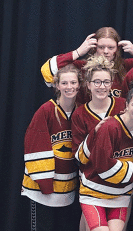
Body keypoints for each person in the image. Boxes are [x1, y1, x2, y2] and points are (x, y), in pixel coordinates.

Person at [77, 77, 133, 231]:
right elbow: (104, 167)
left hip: (120, 195)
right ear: (126, 105)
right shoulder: (110, 127)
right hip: (94, 193)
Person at [21, 64, 83, 231]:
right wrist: (45, 183)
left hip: (67, 189)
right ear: (56, 85)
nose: (69, 87)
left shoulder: (81, 112)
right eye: (64, 83)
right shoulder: (46, 110)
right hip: (41, 190)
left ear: (79, 84)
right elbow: (35, 147)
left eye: (73, 82)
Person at [72, 55, 126, 230]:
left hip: (119, 184)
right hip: (92, 183)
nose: (102, 86)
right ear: (88, 85)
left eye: (106, 82)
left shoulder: (123, 106)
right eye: (97, 82)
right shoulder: (80, 114)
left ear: (111, 84)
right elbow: (79, 157)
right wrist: (96, 133)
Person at [41, 26, 133, 104]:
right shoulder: (83, 67)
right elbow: (48, 69)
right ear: (94, 47)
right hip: (87, 125)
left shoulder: (126, 66)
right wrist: (78, 52)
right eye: (101, 47)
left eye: (111, 48)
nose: (106, 51)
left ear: (117, 49)